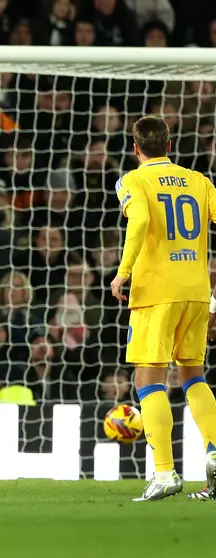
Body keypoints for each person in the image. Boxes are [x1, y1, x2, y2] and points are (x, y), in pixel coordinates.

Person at [109, 115, 216, 502]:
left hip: (157, 292)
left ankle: (165, 473)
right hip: (197, 291)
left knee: (147, 379)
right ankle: (215, 454)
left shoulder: (133, 180)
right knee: (193, 375)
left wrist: (122, 273)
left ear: (135, 149)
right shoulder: (199, 181)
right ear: (169, 146)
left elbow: (138, 220)